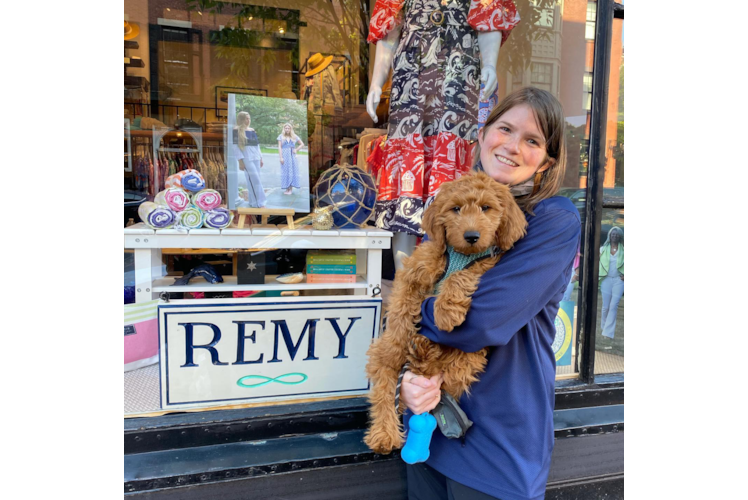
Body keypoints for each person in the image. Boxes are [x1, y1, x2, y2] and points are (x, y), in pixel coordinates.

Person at [399, 87, 581, 500]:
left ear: (547, 160)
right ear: (483, 135)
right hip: (430, 433)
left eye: (532, 141)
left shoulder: (553, 220)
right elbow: (422, 295)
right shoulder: (454, 208)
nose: (513, 146)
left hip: (498, 447)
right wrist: (406, 382)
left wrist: (410, 310)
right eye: (505, 129)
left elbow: (479, 321)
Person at [366, 0, 521, 270]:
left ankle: (448, 274)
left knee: (452, 167)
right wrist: (376, 82)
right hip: (410, 72)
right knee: (408, 166)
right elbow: (389, 28)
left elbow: (489, 19)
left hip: (459, 69)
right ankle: (406, 281)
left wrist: (491, 65)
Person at [233, 111, 266, 208]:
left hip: (256, 157)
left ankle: (253, 202)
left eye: (249, 118)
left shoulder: (251, 130)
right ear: (241, 119)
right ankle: (260, 202)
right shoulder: (236, 130)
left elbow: (257, 146)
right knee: (254, 180)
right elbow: (235, 147)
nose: (248, 120)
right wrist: (240, 161)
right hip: (246, 158)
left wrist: (261, 158)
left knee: (254, 180)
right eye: (246, 118)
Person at [599, 226, 624, 339]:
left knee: (614, 306)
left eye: (617, 234)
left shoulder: (624, 250)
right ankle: (604, 328)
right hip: (606, 279)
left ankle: (608, 333)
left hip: (618, 280)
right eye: (613, 234)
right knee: (605, 307)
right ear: (610, 236)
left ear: (620, 236)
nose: (614, 236)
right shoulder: (602, 249)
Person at [277, 123, 304, 196]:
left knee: (292, 171)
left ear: (291, 129)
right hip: (285, 156)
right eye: (286, 128)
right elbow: (279, 147)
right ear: (284, 129)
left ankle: (290, 189)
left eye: (288, 128)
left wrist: (296, 150)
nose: (287, 129)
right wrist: (281, 157)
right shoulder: (281, 137)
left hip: (292, 156)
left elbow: (302, 144)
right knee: (285, 171)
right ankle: (287, 188)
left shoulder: (294, 136)